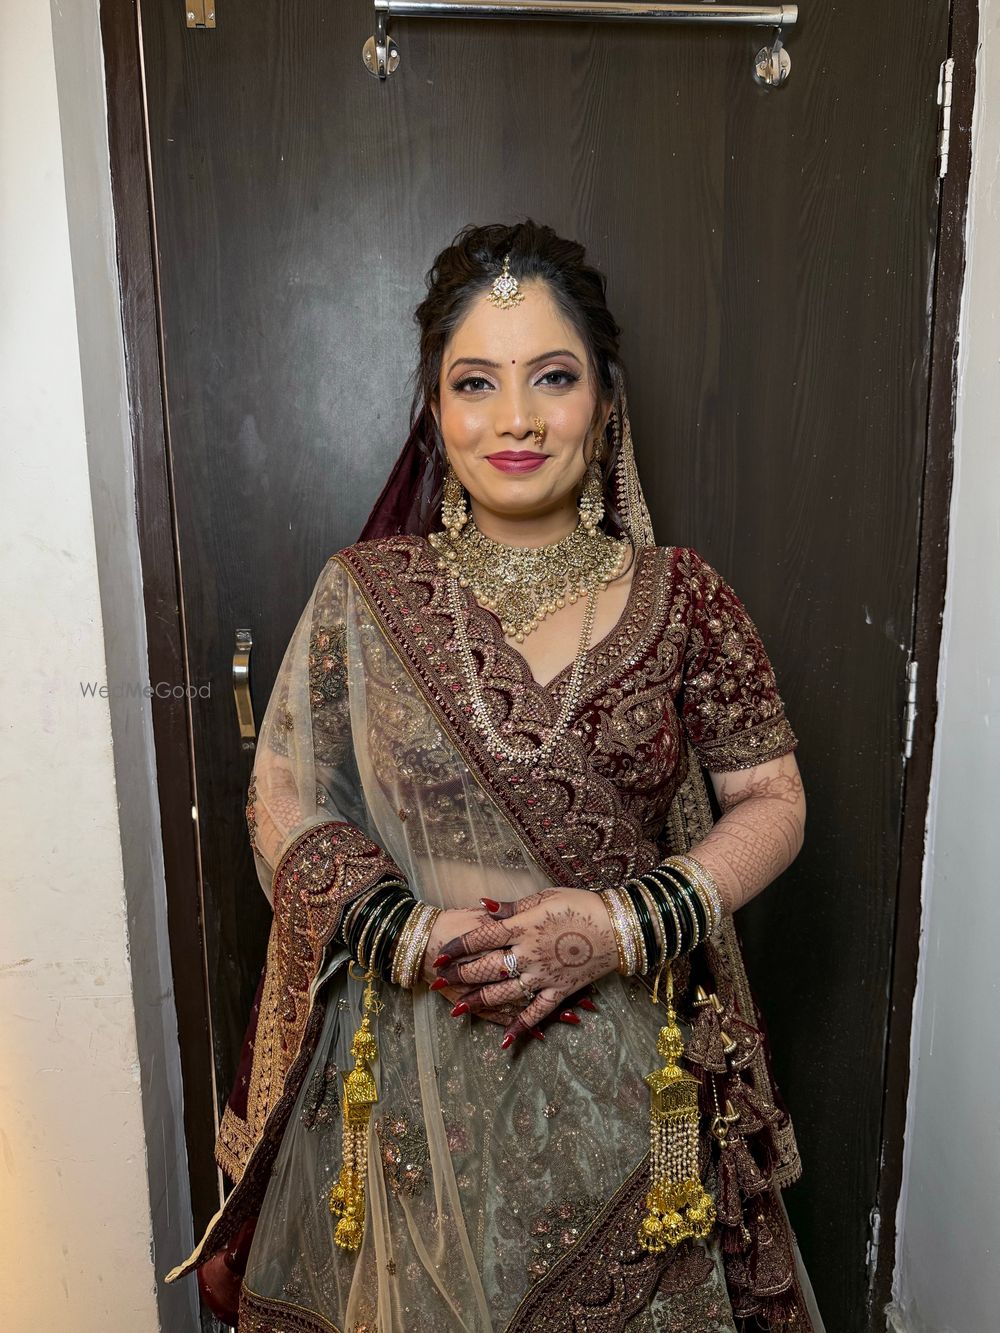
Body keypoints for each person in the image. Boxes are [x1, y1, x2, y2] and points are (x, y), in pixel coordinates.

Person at [166, 220, 826, 1332]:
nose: (515, 418)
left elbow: (774, 799)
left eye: (552, 378)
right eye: (476, 382)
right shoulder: (364, 594)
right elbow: (281, 793)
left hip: (628, 1081)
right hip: (408, 1082)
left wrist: (624, 924)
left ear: (604, 402)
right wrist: (402, 932)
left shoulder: (686, 598)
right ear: (435, 411)